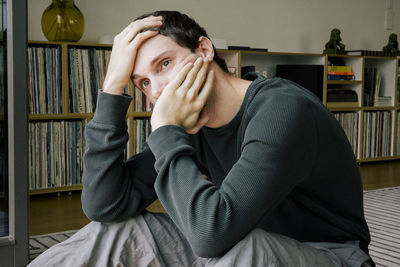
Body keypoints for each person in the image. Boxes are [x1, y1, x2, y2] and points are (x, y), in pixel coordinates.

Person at [29, 10, 374, 266]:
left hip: (331, 256)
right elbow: (104, 205)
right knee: (117, 231)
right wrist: (112, 89)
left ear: (205, 50)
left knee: (241, 248)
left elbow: (211, 234)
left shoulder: (282, 110)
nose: (158, 90)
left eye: (164, 64)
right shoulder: (189, 122)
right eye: (143, 83)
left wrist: (165, 132)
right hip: (239, 246)